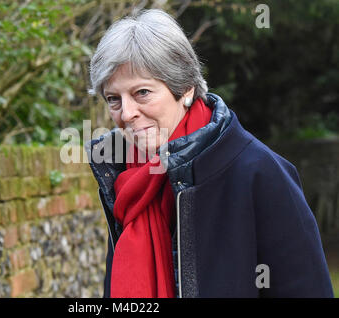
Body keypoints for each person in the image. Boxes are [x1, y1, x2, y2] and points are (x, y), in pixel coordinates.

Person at [84, 9, 334, 298]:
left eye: (142, 92)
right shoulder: (125, 181)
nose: (126, 114)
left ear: (186, 88)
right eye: (114, 99)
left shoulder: (261, 173)